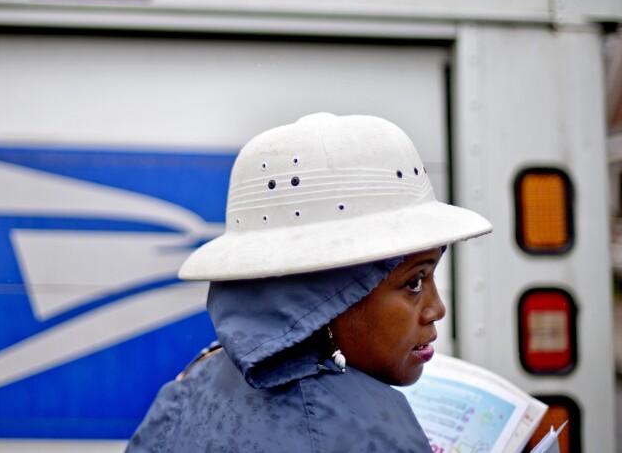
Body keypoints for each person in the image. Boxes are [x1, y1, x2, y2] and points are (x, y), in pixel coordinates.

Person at [126, 113, 492, 452]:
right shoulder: (367, 432)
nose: (437, 308)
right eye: (414, 282)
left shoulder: (183, 395)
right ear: (327, 296)